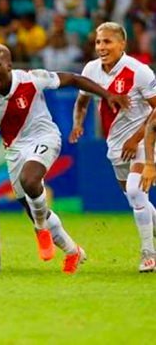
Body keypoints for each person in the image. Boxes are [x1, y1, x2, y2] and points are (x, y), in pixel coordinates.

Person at [0, 45, 127, 273]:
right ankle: (73, 251)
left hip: (44, 137)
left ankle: (40, 229)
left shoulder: (31, 79)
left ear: (9, 66)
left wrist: (107, 95)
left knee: (30, 181)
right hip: (14, 148)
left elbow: (73, 78)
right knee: (31, 207)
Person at [72, 22, 156, 272]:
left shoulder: (139, 71)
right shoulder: (91, 69)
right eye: (98, 42)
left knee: (135, 191)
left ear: (122, 44)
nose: (101, 47)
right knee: (133, 198)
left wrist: (136, 139)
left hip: (143, 140)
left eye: (107, 42)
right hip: (116, 145)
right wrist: (78, 123)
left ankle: (148, 254)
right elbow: (82, 101)